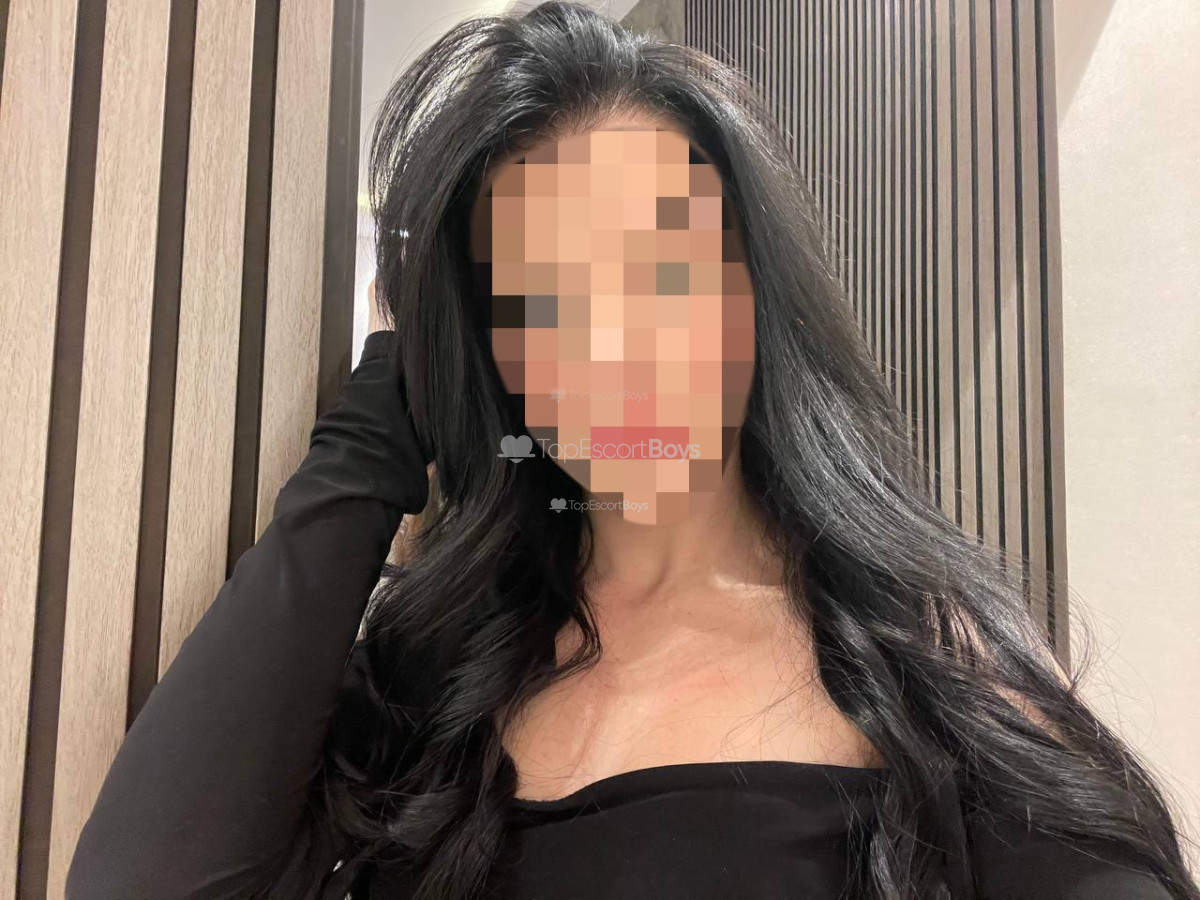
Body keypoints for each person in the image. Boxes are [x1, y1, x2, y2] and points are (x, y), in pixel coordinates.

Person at [67, 2, 1197, 898]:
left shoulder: (927, 658)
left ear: (754, 293)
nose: (609, 347)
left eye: (658, 269)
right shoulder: (435, 669)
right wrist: (380, 417)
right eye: (542, 301)